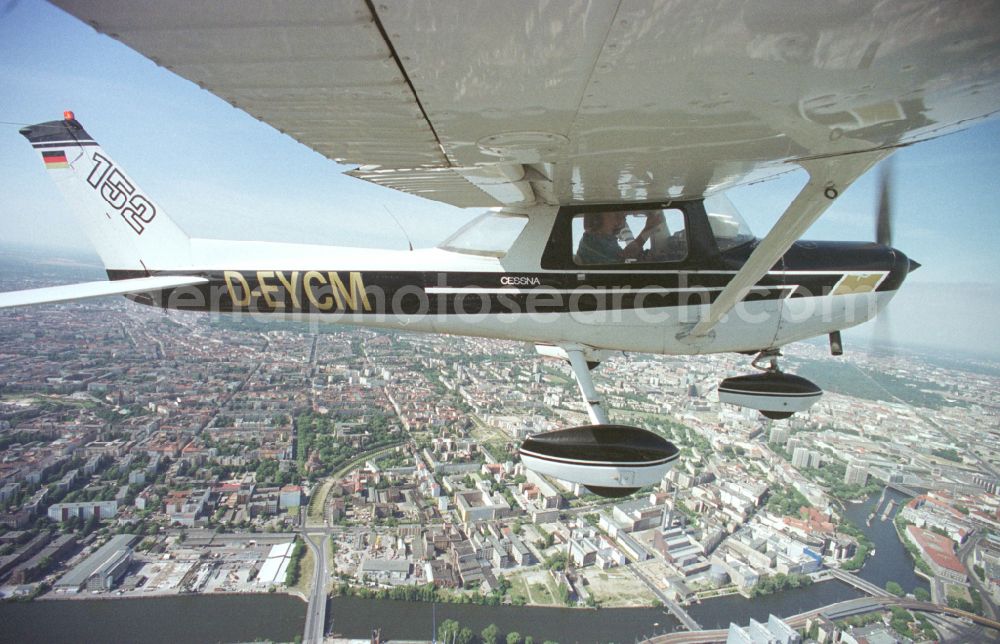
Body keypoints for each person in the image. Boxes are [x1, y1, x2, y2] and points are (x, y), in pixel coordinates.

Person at [576, 212, 662, 264]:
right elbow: (625, 255)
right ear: (596, 219)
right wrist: (647, 230)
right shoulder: (593, 243)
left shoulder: (600, 239)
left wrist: (648, 229)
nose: (620, 220)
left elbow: (625, 254)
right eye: (616, 215)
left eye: (623, 217)